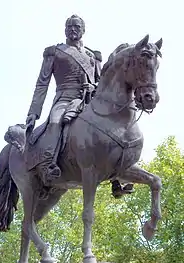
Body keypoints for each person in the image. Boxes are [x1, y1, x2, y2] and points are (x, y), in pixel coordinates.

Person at [8, 14, 134, 196]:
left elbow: (102, 81)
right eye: (69, 26)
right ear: (64, 29)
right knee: (55, 122)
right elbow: (42, 83)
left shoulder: (92, 55)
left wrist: (94, 86)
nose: (72, 29)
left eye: (76, 26)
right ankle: (48, 165)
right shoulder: (55, 52)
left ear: (83, 30)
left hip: (90, 100)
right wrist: (34, 112)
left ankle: (117, 179)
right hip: (64, 99)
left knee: (113, 128)